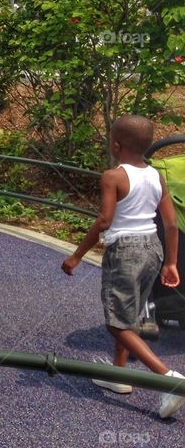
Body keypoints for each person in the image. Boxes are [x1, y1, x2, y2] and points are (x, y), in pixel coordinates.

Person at [61, 115, 185, 419]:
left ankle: (167, 378)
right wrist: (171, 262)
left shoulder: (113, 176)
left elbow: (104, 220)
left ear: (116, 145)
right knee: (130, 315)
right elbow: (170, 223)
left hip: (126, 251)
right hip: (152, 249)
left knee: (117, 323)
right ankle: (120, 376)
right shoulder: (157, 175)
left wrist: (76, 256)